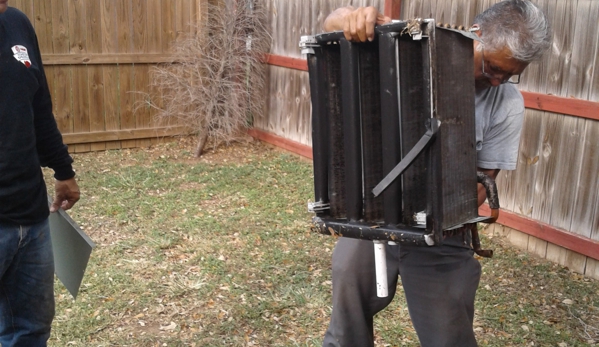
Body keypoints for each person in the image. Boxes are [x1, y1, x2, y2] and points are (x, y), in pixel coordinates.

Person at [321, 1, 552, 346]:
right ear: (474, 36)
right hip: (372, 215)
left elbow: (481, 184)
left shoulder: (507, 102)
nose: (498, 80)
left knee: (449, 333)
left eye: (510, 73)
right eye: (492, 67)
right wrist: (345, 19)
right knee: (346, 314)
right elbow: (334, 22)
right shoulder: (409, 44)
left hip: (443, 226)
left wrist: (435, 209)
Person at [0, 1, 81, 346]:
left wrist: (63, 169)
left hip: (31, 218)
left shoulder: (16, 22)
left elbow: (39, 105)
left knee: (31, 330)